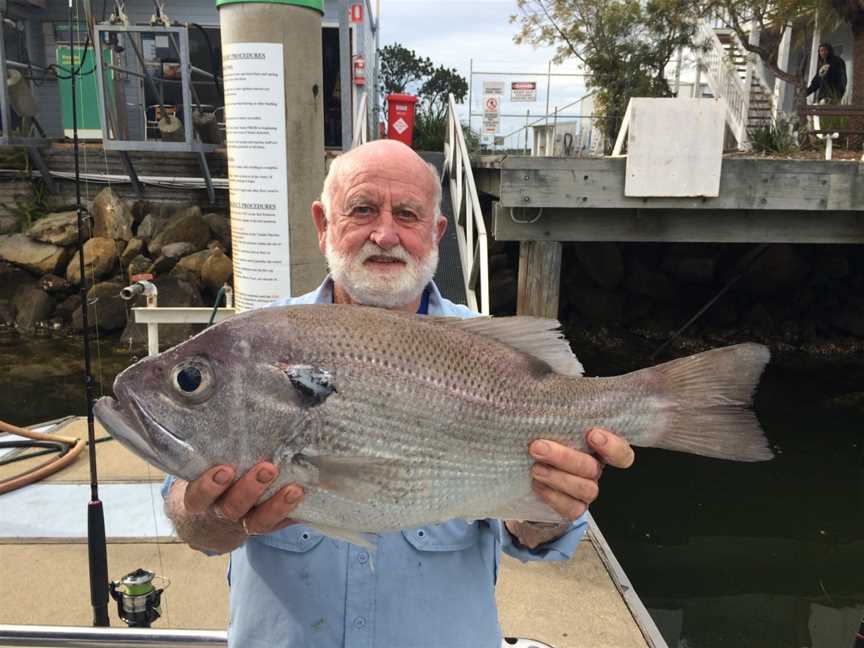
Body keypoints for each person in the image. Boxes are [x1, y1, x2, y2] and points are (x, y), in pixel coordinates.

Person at [162, 139, 635, 647]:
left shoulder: (484, 345)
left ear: (436, 232)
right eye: (362, 210)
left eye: (407, 215)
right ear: (323, 225)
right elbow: (184, 508)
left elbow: (530, 534)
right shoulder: (253, 344)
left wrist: (545, 510)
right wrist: (206, 517)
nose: (384, 234)